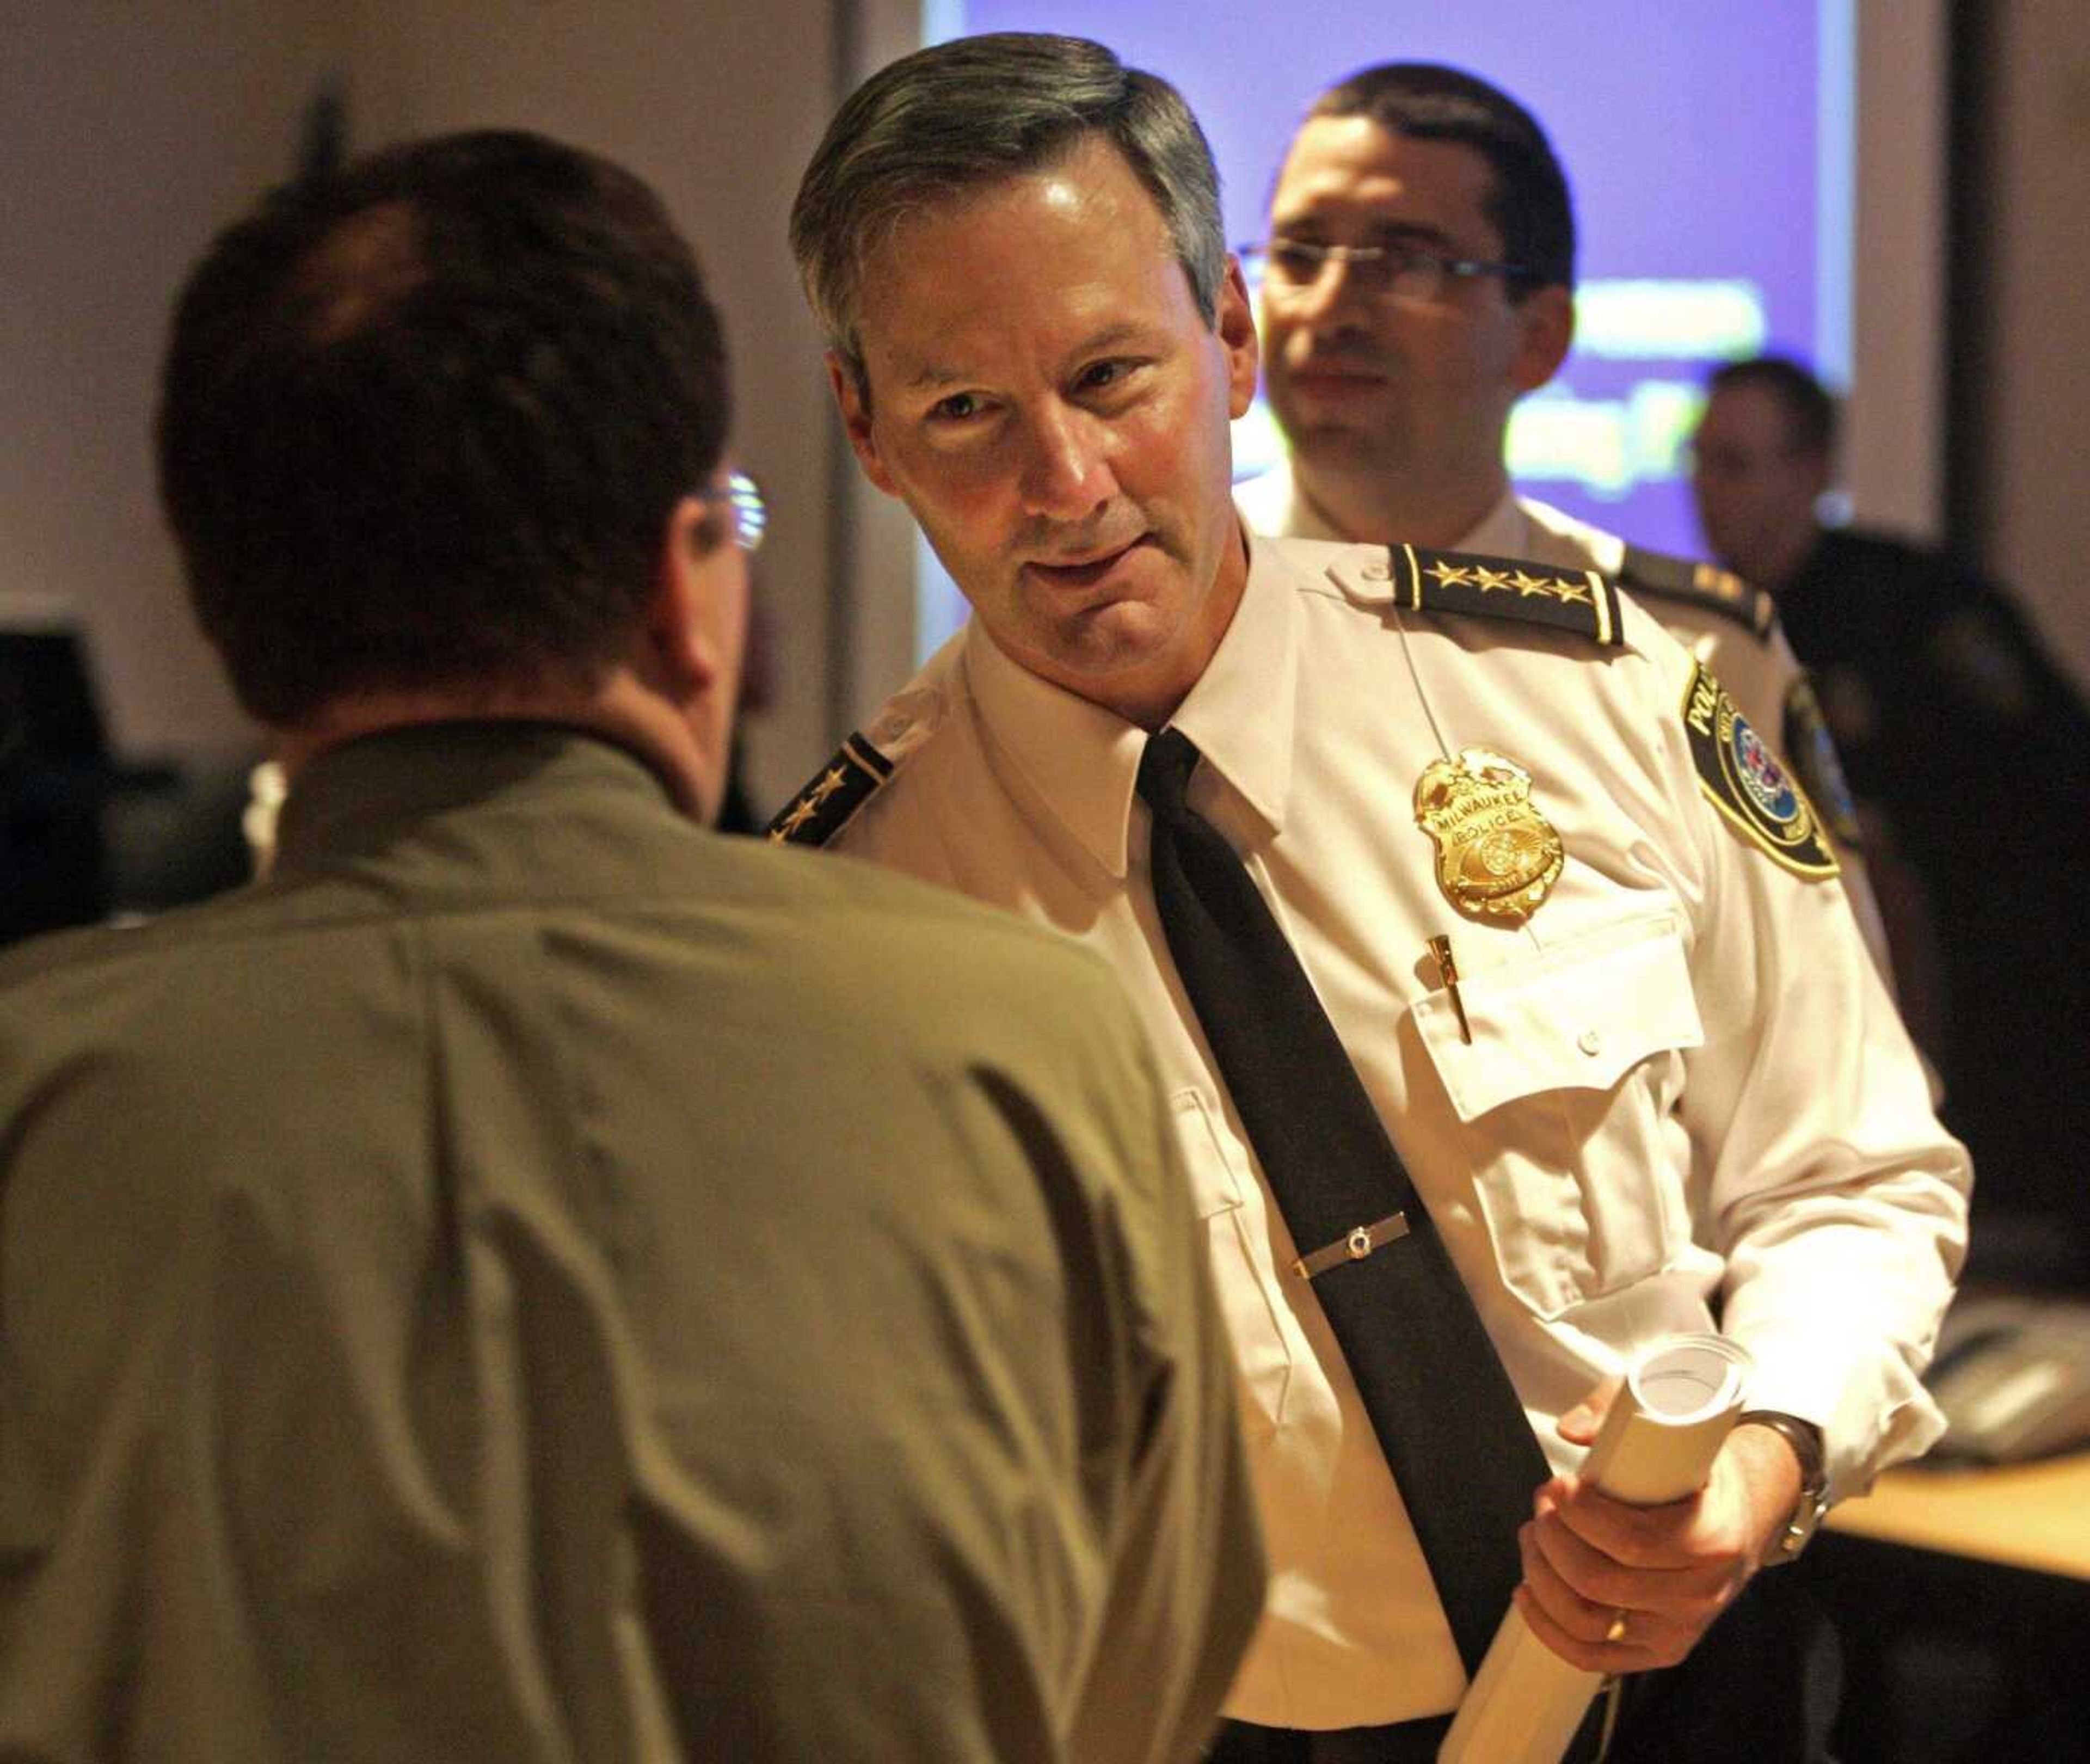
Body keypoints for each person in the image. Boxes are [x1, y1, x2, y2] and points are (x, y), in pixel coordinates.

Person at [0, 129, 1264, 1763]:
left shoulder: (35, 1112)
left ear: (227, 614)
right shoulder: (1025, 1042)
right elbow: (1141, 1682)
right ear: (689, 594)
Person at [779, 33, 1968, 1762]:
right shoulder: (848, 922)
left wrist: (1767, 1450)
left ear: (1235, 340)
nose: (1064, 485)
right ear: (863, 427)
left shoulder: (1587, 692)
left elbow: (1854, 1175)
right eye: (965, 409)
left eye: (1113, 375)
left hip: (1697, 1689)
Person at [1232, 63, 1902, 997]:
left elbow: (1836, 1076)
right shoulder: (1161, 604)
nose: (1330, 307)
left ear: (1540, 337)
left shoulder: (1691, 649)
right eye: (1299, 254)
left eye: (1408, 260)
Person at [1693, 353, 2090, 1281]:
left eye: (1741, 464)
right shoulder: (1687, 628)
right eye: (1704, 462)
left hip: (1983, 990)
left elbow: (2053, 779)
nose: (1712, 493)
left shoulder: (1916, 609)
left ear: (1812, 471)